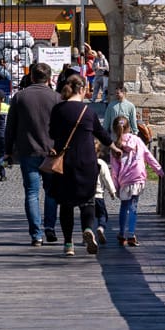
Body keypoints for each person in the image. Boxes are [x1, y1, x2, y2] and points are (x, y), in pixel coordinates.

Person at [45, 73, 112, 257]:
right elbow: (102, 134)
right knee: (88, 200)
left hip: (64, 163)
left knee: (66, 204)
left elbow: (51, 133)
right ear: (82, 89)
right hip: (87, 162)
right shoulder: (88, 112)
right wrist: (115, 146)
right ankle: (88, 229)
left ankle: (68, 244)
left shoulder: (58, 110)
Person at [4, 62, 60, 246]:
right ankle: (50, 227)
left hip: (28, 151)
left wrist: (8, 151)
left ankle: (36, 234)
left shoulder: (20, 97)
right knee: (52, 192)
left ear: (31, 77)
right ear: (50, 78)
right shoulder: (57, 98)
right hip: (51, 152)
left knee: (31, 193)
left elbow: (10, 127)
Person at [110, 115, 162, 246]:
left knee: (124, 206)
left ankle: (122, 234)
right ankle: (132, 235)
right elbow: (148, 156)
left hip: (124, 179)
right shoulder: (137, 140)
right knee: (133, 207)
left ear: (115, 130)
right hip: (137, 176)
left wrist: (115, 186)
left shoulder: (115, 146)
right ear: (129, 127)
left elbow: (114, 170)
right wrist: (159, 170)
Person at [93, 137, 117, 244]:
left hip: (87, 196)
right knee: (103, 215)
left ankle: (88, 232)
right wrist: (112, 191)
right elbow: (107, 179)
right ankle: (101, 228)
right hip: (98, 196)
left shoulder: (84, 161)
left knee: (88, 216)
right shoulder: (101, 163)